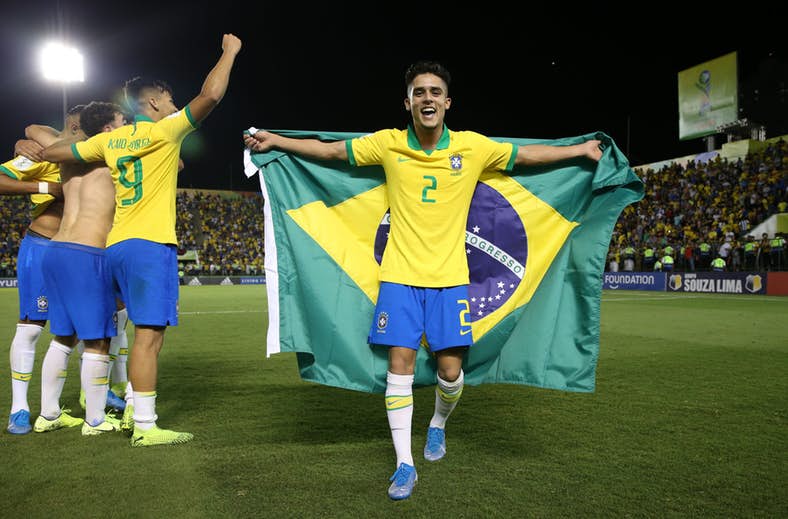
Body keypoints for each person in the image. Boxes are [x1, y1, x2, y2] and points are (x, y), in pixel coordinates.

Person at [244, 60, 602, 500]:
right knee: (400, 367)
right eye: (419, 92)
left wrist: (580, 151)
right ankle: (404, 464)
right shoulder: (389, 144)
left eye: (435, 92)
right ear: (408, 102)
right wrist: (278, 141)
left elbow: (526, 156)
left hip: (451, 280)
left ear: (448, 102)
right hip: (398, 278)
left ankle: (437, 423)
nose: (427, 98)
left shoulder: (472, 147)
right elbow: (333, 151)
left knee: (451, 373)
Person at [42, 33, 242, 446]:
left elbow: (55, 154)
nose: (173, 106)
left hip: (114, 246)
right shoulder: (165, 131)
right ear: (154, 103)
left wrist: (80, 141)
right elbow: (210, 95)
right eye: (169, 100)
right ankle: (146, 426)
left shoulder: (108, 141)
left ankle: (127, 406)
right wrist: (229, 52)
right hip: (150, 245)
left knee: (122, 333)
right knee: (148, 339)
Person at [28, 101, 127, 435]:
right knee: (98, 341)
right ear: (108, 129)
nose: (126, 125)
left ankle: (49, 414)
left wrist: (27, 141)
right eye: (122, 120)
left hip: (57, 249)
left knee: (63, 337)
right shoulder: (113, 150)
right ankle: (95, 420)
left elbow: (34, 130)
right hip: (88, 253)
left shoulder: (67, 151)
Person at [1, 105, 80, 434]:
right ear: (69, 128)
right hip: (43, 247)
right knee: (32, 327)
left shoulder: (96, 157)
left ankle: (52, 409)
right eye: (79, 128)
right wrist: (46, 188)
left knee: (73, 331)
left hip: (79, 253)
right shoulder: (45, 155)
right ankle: (19, 409)